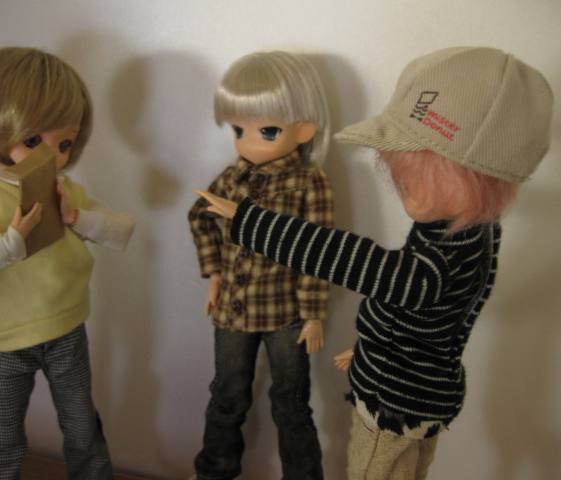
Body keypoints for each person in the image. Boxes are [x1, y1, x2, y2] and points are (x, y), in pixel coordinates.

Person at [197, 46, 553, 480]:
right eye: (401, 174)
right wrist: (373, 348)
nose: (404, 187)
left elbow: (370, 266)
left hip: (394, 405)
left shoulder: (441, 260)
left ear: (480, 180)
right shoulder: (468, 233)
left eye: (418, 177)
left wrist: (252, 222)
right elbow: (427, 318)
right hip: (411, 390)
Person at [0, 46, 135, 480]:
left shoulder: (65, 189)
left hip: (66, 327)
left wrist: (77, 217)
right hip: (8, 337)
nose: (53, 155)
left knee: (82, 428)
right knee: (2, 437)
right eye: (35, 141)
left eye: (65, 143)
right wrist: (6, 244)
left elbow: (121, 229)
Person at [187, 51, 334, 480]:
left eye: (267, 131)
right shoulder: (231, 178)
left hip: (287, 314)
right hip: (232, 312)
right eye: (238, 130)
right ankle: (214, 472)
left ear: (303, 129)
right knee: (226, 396)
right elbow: (199, 216)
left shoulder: (309, 182)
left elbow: (318, 249)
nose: (249, 142)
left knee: (291, 402)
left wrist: (313, 313)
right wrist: (215, 273)